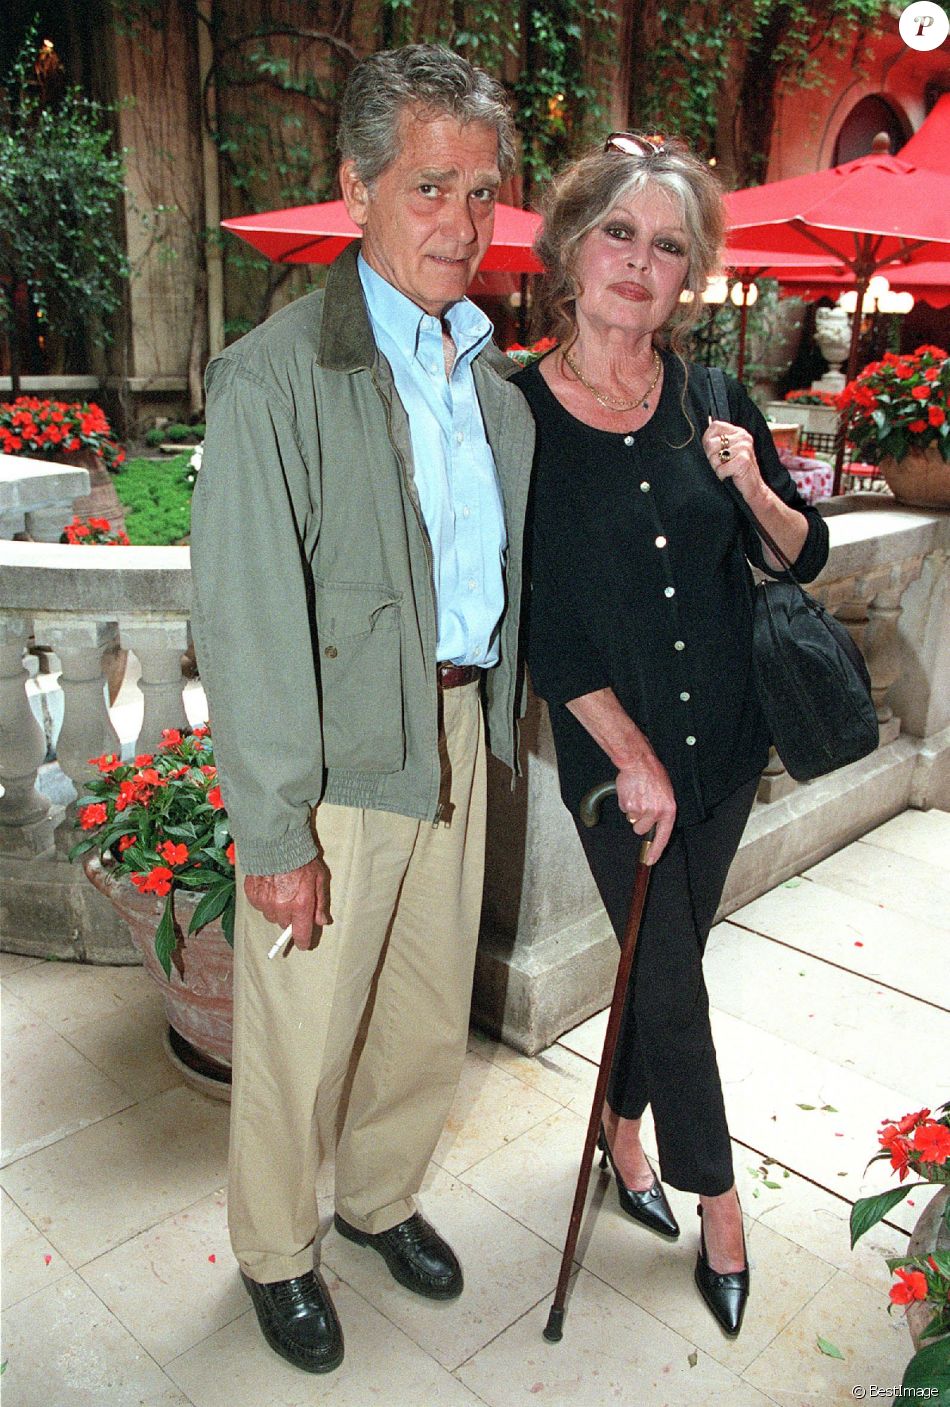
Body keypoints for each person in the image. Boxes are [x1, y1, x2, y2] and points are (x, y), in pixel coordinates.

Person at [190, 44, 534, 1375]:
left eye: (480, 192)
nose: (458, 223)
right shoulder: (275, 374)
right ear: (357, 188)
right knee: (302, 1029)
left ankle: (379, 1198)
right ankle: (278, 1250)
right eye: (428, 187)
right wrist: (274, 828)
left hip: (452, 724)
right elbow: (246, 615)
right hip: (331, 753)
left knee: (423, 1001)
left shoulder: (483, 377)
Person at [515, 134, 829, 1338]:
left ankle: (619, 1126)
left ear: (687, 275)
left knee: (667, 961)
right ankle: (720, 1202)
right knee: (671, 980)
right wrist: (624, 750)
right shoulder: (514, 414)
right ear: (570, 247)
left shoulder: (711, 399)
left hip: (726, 746)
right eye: (617, 233)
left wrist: (749, 482)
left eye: (665, 246)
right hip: (615, 766)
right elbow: (527, 607)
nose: (637, 264)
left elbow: (798, 552)